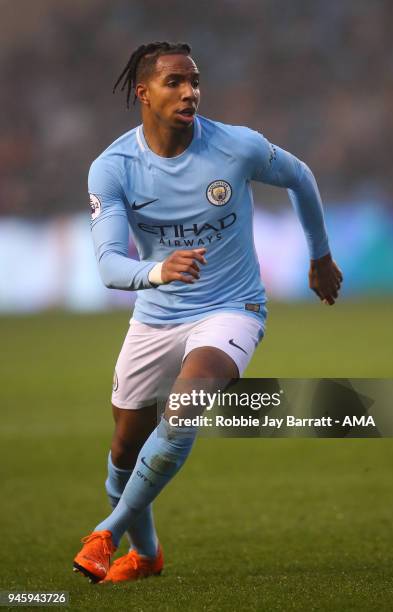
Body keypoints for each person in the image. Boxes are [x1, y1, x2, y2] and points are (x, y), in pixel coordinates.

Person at [73, 41, 343, 584]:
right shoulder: (113, 168)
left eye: (194, 80)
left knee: (186, 405)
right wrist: (157, 271)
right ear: (142, 93)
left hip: (231, 306)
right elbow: (106, 266)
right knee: (125, 446)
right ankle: (145, 554)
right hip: (155, 314)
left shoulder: (236, 147)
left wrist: (320, 256)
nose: (190, 91)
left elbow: (301, 178)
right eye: (174, 82)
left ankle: (106, 531)